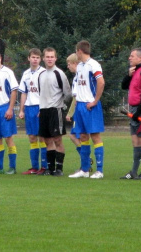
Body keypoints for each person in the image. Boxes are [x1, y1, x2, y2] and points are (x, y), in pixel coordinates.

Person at [69, 40, 106, 179]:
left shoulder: (93, 64)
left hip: (91, 107)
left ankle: (99, 171)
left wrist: (95, 101)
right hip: (80, 106)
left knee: (95, 136)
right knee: (83, 136)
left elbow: (101, 82)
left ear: (79, 51)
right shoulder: (80, 67)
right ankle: (84, 170)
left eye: (75, 51)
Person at [38, 47, 72, 176]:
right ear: (43, 58)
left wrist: (60, 105)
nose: (50, 59)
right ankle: (50, 168)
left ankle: (59, 168)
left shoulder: (59, 74)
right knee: (47, 140)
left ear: (55, 58)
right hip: (44, 110)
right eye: (47, 57)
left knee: (57, 139)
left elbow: (68, 94)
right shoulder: (41, 75)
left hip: (55, 110)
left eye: (52, 57)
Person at [119, 48, 141, 180]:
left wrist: (138, 113)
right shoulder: (133, 72)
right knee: (135, 141)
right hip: (132, 109)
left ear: (140, 58)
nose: (129, 58)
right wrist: (128, 75)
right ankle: (133, 171)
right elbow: (123, 86)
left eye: (132, 56)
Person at [18, 48, 48, 175]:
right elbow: (24, 93)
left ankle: (44, 166)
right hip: (29, 108)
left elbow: (47, 93)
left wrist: (44, 108)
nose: (35, 59)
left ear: (40, 59)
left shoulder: (44, 73)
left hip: (40, 107)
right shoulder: (26, 74)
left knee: (42, 137)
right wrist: (21, 109)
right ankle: (34, 167)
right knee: (32, 137)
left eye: (37, 57)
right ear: (28, 58)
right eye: (33, 57)